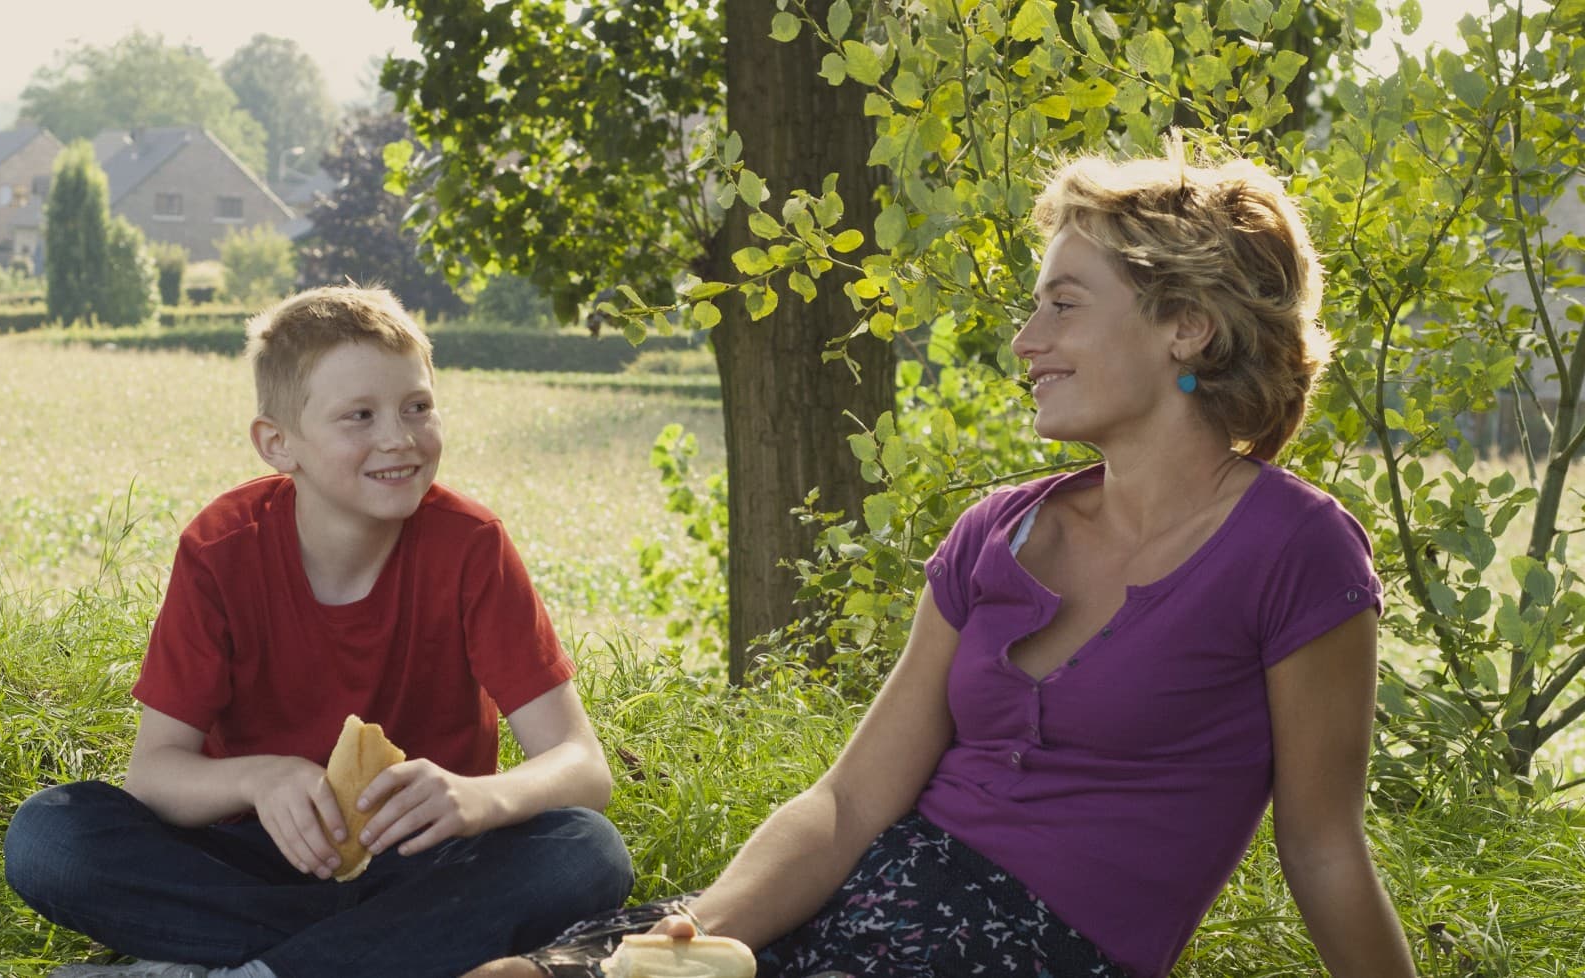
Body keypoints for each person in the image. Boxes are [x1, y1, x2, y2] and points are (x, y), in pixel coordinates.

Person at [471, 147, 1418, 978]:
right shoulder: (995, 532)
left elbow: (1323, 849)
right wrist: (693, 934)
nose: (1026, 341)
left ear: (1186, 326)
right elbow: (846, 803)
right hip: (860, 908)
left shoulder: (1294, 550)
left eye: (1064, 304)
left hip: (1031, 947)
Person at [5, 286, 634, 978]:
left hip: (421, 863)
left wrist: (479, 796)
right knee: (50, 836)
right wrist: (262, 780)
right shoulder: (222, 549)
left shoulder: (471, 546)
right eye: (358, 417)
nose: (398, 437)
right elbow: (155, 775)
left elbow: (581, 765)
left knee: (586, 850)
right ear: (279, 444)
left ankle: (239, 969)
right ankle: (367, 956)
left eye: (416, 407)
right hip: (249, 860)